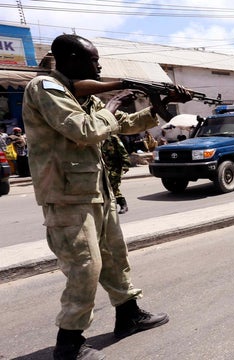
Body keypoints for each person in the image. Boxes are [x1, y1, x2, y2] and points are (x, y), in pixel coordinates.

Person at [21, 34, 192, 360]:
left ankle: (128, 315)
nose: (99, 66)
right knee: (85, 267)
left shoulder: (83, 95)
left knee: (115, 257)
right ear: (69, 59)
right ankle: (69, 343)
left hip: (97, 191)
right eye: (93, 60)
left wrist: (157, 107)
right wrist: (111, 106)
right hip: (67, 195)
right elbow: (84, 130)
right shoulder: (45, 88)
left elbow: (122, 125)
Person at [102, 134, 131, 214]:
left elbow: (123, 151)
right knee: (106, 187)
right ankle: (109, 207)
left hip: (115, 166)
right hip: (104, 167)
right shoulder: (97, 139)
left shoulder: (113, 138)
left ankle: (123, 204)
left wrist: (126, 164)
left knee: (113, 185)